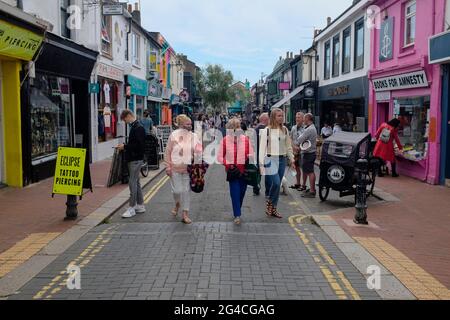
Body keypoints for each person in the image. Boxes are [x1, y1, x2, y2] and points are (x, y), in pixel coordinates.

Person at [165, 115, 203, 224]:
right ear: (181, 125)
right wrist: (168, 167)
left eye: (191, 124)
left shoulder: (194, 136)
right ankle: (177, 203)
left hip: (188, 169)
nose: (190, 126)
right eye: (188, 124)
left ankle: (185, 214)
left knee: (186, 191)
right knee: (177, 190)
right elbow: (168, 152)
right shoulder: (173, 135)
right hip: (175, 168)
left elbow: (199, 151)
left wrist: (193, 157)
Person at [259, 108, 295, 218]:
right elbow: (262, 148)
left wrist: (292, 159)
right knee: (275, 182)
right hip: (270, 159)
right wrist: (261, 164)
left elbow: (288, 146)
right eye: (279, 116)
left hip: (282, 159)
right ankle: (270, 202)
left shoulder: (285, 130)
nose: (281, 118)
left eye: (282, 116)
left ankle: (273, 208)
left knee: (278, 185)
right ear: (273, 117)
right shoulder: (267, 130)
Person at [217, 118, 254, 225]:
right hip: (232, 171)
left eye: (237, 127)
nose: (235, 130)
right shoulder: (224, 140)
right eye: (233, 128)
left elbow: (251, 153)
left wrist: (249, 157)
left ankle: (237, 209)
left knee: (242, 192)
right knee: (235, 193)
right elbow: (219, 157)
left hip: (244, 171)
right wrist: (228, 164)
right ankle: (237, 215)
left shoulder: (245, 139)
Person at [117, 110, 146, 218]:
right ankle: (140, 205)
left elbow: (138, 146)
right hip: (136, 159)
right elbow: (136, 144)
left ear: (129, 116)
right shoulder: (136, 126)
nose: (125, 122)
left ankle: (132, 207)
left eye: (125, 120)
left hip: (135, 159)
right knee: (136, 182)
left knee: (132, 182)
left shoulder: (138, 128)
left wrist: (125, 147)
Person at [296, 113, 318, 198]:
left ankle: (312, 191)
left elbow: (300, 139)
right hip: (310, 152)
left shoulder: (309, 129)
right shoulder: (311, 128)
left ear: (308, 119)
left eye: (304, 119)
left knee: (310, 172)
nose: (303, 120)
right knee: (309, 171)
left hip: (309, 153)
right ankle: (312, 189)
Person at [253, 113, 269, 196]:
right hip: (263, 153)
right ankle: (267, 191)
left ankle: (256, 188)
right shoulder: (263, 128)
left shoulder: (256, 128)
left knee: (258, 172)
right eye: (268, 119)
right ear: (265, 120)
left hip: (257, 152)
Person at [289, 112, 305, 191]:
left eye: (299, 117)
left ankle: (304, 185)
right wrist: (294, 147)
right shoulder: (293, 128)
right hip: (295, 151)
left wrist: (300, 148)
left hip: (303, 152)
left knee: (304, 169)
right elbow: (290, 138)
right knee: (296, 168)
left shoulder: (306, 128)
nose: (297, 119)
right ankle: (298, 183)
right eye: (296, 117)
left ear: (303, 119)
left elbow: (306, 141)